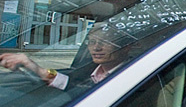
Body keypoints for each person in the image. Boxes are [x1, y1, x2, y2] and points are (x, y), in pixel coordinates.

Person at [0, 23, 132, 89]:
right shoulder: (91, 70)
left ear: (126, 47)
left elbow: (84, 93)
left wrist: (39, 71)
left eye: (105, 42)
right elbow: (68, 81)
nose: (96, 47)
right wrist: (37, 69)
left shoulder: (131, 75)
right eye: (92, 42)